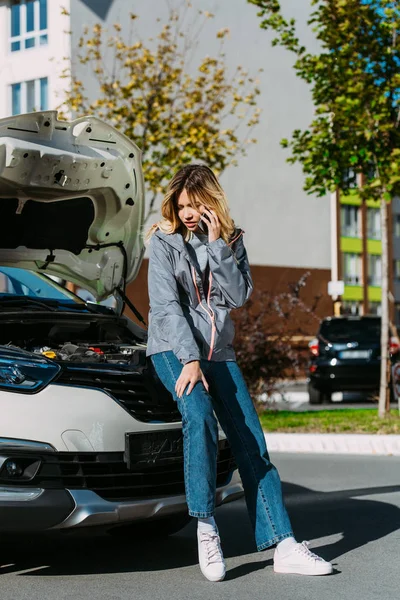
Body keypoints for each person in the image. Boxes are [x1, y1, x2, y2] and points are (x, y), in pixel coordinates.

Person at [145, 164, 333, 582]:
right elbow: (165, 306)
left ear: (213, 203)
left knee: (252, 442)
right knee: (198, 415)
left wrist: (217, 245)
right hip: (173, 348)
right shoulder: (163, 241)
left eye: (197, 205)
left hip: (220, 351)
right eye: (183, 205)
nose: (189, 212)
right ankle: (206, 525)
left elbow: (238, 295)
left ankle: (282, 544)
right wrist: (190, 358)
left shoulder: (231, 240)